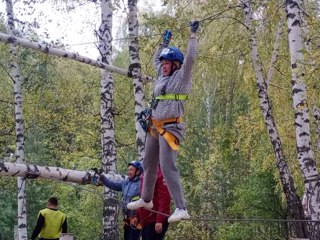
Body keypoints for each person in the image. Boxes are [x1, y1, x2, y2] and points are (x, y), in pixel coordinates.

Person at [127, 20, 200, 223]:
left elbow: (192, 58)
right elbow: (155, 61)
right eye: (164, 63)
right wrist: (164, 42)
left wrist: (192, 36)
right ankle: (146, 199)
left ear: (175, 64)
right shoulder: (161, 75)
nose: (164, 66)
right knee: (148, 164)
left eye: (167, 63)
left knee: (168, 167)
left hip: (171, 128)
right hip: (154, 128)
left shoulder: (181, 78)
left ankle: (182, 207)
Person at [99, 161, 143, 240]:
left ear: (138, 172)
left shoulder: (142, 184)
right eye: (128, 170)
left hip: (137, 219)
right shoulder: (126, 182)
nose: (128, 172)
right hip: (127, 218)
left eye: (131, 170)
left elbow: (144, 201)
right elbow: (113, 185)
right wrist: (102, 177)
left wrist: (138, 216)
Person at [133, 166, 171, 240]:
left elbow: (164, 198)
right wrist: (137, 215)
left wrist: (159, 220)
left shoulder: (162, 172)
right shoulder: (145, 173)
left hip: (155, 219)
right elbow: (142, 197)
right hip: (146, 219)